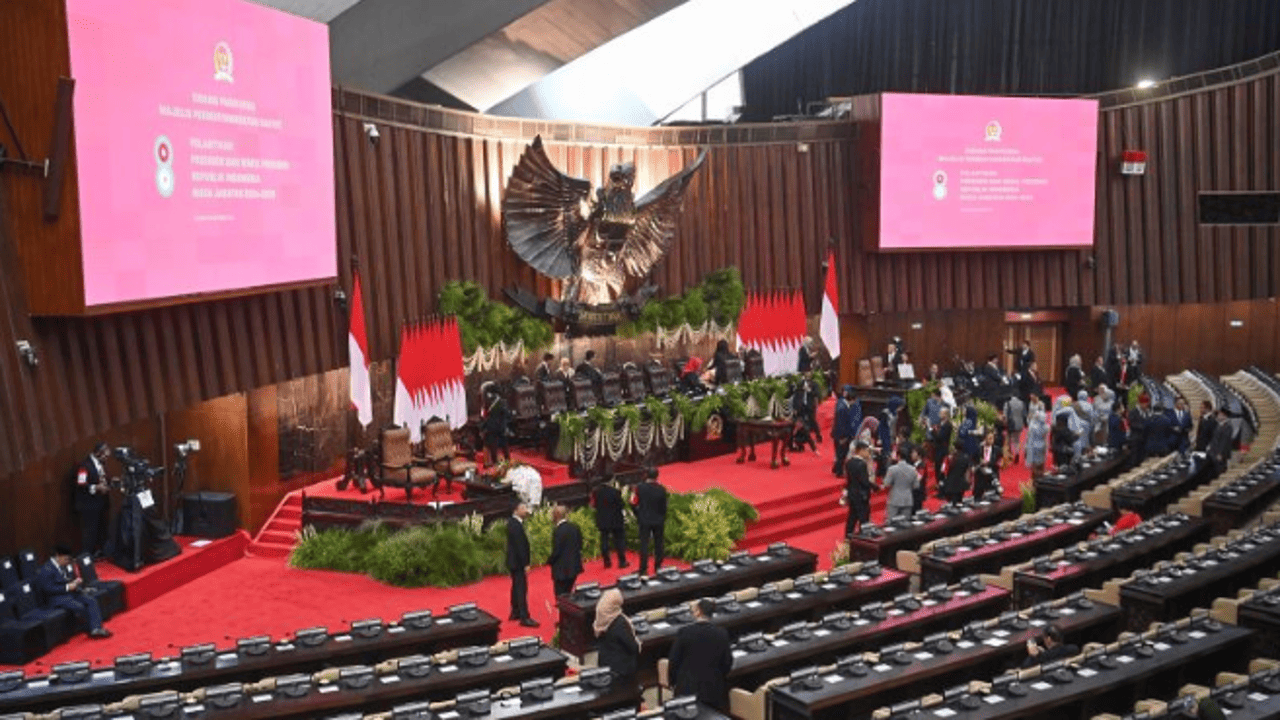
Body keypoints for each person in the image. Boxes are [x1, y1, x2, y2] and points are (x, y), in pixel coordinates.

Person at [668, 598, 733, 713]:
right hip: (713, 689)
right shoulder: (722, 633)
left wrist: (672, 682)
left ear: (699, 612)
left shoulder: (684, 632)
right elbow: (727, 663)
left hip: (687, 689)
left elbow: (674, 661)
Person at [36, 545, 111, 639]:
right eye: (66, 559)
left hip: (70, 593)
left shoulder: (64, 565)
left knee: (91, 600)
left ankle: (96, 629)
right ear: (58, 556)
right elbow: (47, 589)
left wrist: (75, 583)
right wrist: (67, 587)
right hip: (56, 598)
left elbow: (67, 579)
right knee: (79, 606)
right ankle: (89, 627)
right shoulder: (46, 569)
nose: (68, 562)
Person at [594, 589, 640, 688]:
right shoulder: (619, 622)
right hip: (621, 670)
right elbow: (633, 647)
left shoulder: (601, 618)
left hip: (604, 664)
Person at [74, 443, 113, 559]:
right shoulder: (84, 466)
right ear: (97, 453)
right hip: (88, 505)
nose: (106, 459)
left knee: (102, 529)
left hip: (101, 503)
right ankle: (87, 557)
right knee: (89, 532)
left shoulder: (102, 464)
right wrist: (96, 487)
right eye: (105, 456)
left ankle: (101, 552)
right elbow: (81, 483)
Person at [505, 502, 538, 627]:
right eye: (523, 508)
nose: (526, 510)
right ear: (515, 510)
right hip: (518, 562)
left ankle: (515, 611)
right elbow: (520, 546)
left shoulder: (514, 523)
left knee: (516, 586)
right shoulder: (515, 525)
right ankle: (524, 617)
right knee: (521, 588)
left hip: (514, 561)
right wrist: (526, 562)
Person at [632, 470, 667, 575]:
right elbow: (664, 507)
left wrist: (638, 514)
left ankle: (643, 569)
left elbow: (633, 502)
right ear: (657, 476)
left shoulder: (640, 487)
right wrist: (662, 517)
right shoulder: (662, 489)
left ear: (646, 475)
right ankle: (658, 567)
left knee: (644, 545)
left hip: (644, 520)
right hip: (658, 520)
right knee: (659, 544)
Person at [548, 504, 583, 597]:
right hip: (574, 566)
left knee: (560, 595)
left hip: (561, 569)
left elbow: (557, 550)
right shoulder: (574, 527)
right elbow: (580, 544)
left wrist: (550, 560)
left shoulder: (558, 531)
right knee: (569, 592)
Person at [592, 480, 628, 568]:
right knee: (619, 540)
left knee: (604, 540)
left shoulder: (597, 492)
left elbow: (595, 505)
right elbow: (621, 504)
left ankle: (606, 562)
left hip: (603, 520)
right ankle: (622, 561)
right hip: (616, 519)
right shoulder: (615, 491)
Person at [842, 441, 872, 536]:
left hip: (852, 493)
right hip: (861, 495)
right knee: (863, 519)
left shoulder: (849, 462)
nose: (868, 454)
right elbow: (864, 481)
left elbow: (849, 479)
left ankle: (848, 537)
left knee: (852, 517)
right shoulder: (862, 464)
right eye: (867, 451)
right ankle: (864, 538)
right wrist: (875, 487)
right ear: (861, 451)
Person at [481, 383, 512, 464]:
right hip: (501, 428)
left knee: (491, 446)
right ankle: (507, 461)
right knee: (504, 447)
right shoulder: (502, 402)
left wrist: (483, 427)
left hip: (491, 429)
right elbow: (507, 415)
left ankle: (491, 463)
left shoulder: (487, 402)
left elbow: (484, 416)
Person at [882, 451, 919, 521]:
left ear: (898, 457)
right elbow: (916, 486)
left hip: (894, 500)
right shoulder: (913, 469)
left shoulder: (892, 469)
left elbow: (886, 484)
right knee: (906, 525)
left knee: (892, 523)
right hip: (908, 499)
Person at [831, 386, 857, 477]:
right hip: (841, 434)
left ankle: (836, 468)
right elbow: (841, 424)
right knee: (841, 453)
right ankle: (839, 472)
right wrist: (843, 437)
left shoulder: (841, 403)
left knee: (839, 452)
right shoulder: (843, 408)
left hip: (838, 433)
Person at [790, 378, 820, 453]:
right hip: (797, 414)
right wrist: (795, 411)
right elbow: (795, 403)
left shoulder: (808, 392)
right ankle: (794, 446)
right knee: (791, 432)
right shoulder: (798, 393)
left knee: (806, 432)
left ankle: (814, 446)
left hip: (804, 413)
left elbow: (814, 397)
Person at [928, 407, 953, 485]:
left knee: (941, 468)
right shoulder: (942, 424)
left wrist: (931, 430)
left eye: (941, 413)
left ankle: (941, 486)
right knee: (937, 467)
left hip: (942, 450)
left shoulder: (947, 425)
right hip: (938, 449)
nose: (939, 415)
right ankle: (938, 484)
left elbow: (940, 438)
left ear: (945, 414)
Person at [1024, 403, 1049, 479]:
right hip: (1042, 445)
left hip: (1033, 446)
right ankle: (1041, 478)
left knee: (1034, 466)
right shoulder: (1046, 427)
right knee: (1041, 464)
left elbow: (1029, 438)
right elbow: (1045, 438)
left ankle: (1035, 480)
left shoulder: (1032, 427)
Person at [1208, 407, 1234, 476]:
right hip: (1214, 452)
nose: (1218, 416)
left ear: (1224, 415)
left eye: (1219, 414)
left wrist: (1220, 453)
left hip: (1220, 454)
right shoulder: (1219, 425)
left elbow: (1224, 442)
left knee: (1220, 471)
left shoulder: (1228, 427)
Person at [973, 431, 1000, 499]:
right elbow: (973, 459)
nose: (991, 440)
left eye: (992, 438)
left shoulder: (997, 449)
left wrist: (989, 463)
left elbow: (998, 462)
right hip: (980, 474)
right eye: (989, 438)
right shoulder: (979, 448)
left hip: (991, 473)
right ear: (985, 438)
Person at [1003, 394, 1025, 463]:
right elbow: (1024, 414)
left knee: (1009, 440)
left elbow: (1005, 415)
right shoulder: (1022, 403)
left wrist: (1005, 423)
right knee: (1017, 440)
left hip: (1011, 424)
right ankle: (1017, 452)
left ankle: (1011, 454)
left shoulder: (1008, 403)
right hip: (1019, 424)